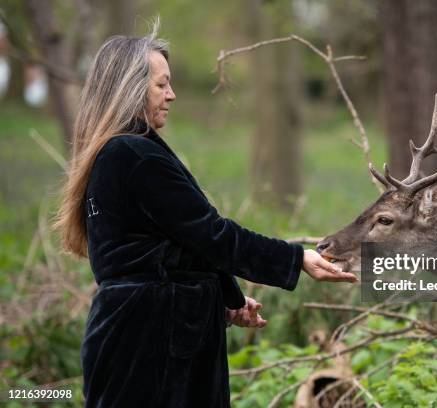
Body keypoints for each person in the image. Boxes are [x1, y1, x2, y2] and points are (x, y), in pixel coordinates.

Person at [52, 21, 357, 407]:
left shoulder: (123, 154)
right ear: (129, 88)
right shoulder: (133, 155)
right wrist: (296, 258)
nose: (172, 95)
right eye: (161, 85)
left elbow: (180, 243)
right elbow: (213, 235)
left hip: (142, 332)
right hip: (149, 342)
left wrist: (227, 300)